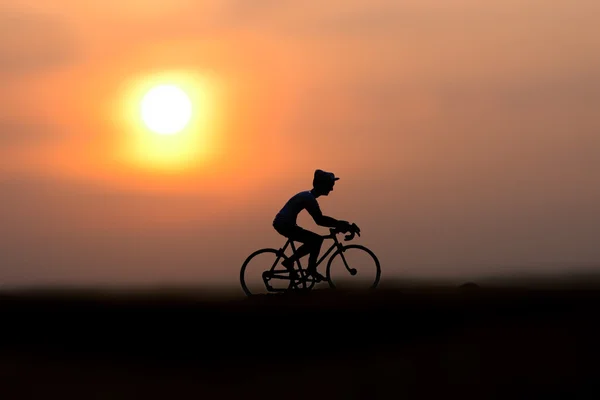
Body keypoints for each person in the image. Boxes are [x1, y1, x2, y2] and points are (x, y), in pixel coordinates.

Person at [272, 169, 356, 282]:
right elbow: (320, 220)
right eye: (330, 185)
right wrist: (341, 225)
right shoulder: (308, 198)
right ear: (322, 185)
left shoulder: (308, 196)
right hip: (284, 224)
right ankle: (302, 266)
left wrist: (341, 224)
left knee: (315, 240)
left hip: (285, 223)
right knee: (316, 240)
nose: (332, 189)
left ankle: (302, 266)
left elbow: (321, 219)